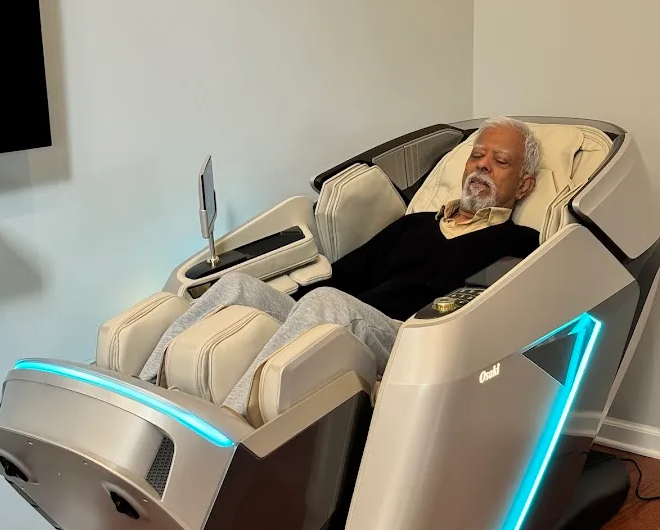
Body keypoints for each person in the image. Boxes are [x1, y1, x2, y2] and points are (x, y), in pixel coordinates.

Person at [140, 116, 541, 416]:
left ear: (524, 185)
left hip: (407, 336)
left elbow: (475, 314)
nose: (482, 166)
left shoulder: (519, 243)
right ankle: (144, 390)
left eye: (500, 161)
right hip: (342, 311)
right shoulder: (416, 223)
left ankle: (229, 422)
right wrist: (284, 303)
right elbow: (345, 272)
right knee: (236, 285)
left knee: (329, 302)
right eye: (477, 155)